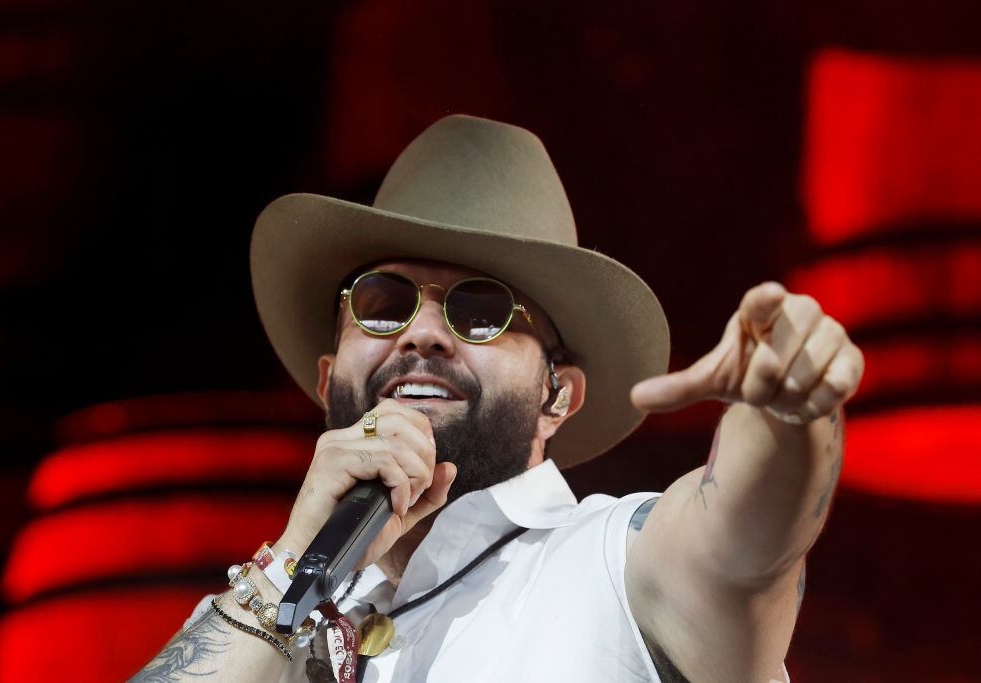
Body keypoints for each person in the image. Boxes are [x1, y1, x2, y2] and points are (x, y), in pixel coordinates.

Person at [131, 115, 863, 682]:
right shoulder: (278, 615)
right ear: (329, 378)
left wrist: (791, 415)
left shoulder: (616, 561)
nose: (421, 333)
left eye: (480, 311)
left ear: (558, 396)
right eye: (383, 301)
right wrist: (292, 560)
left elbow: (748, 539)